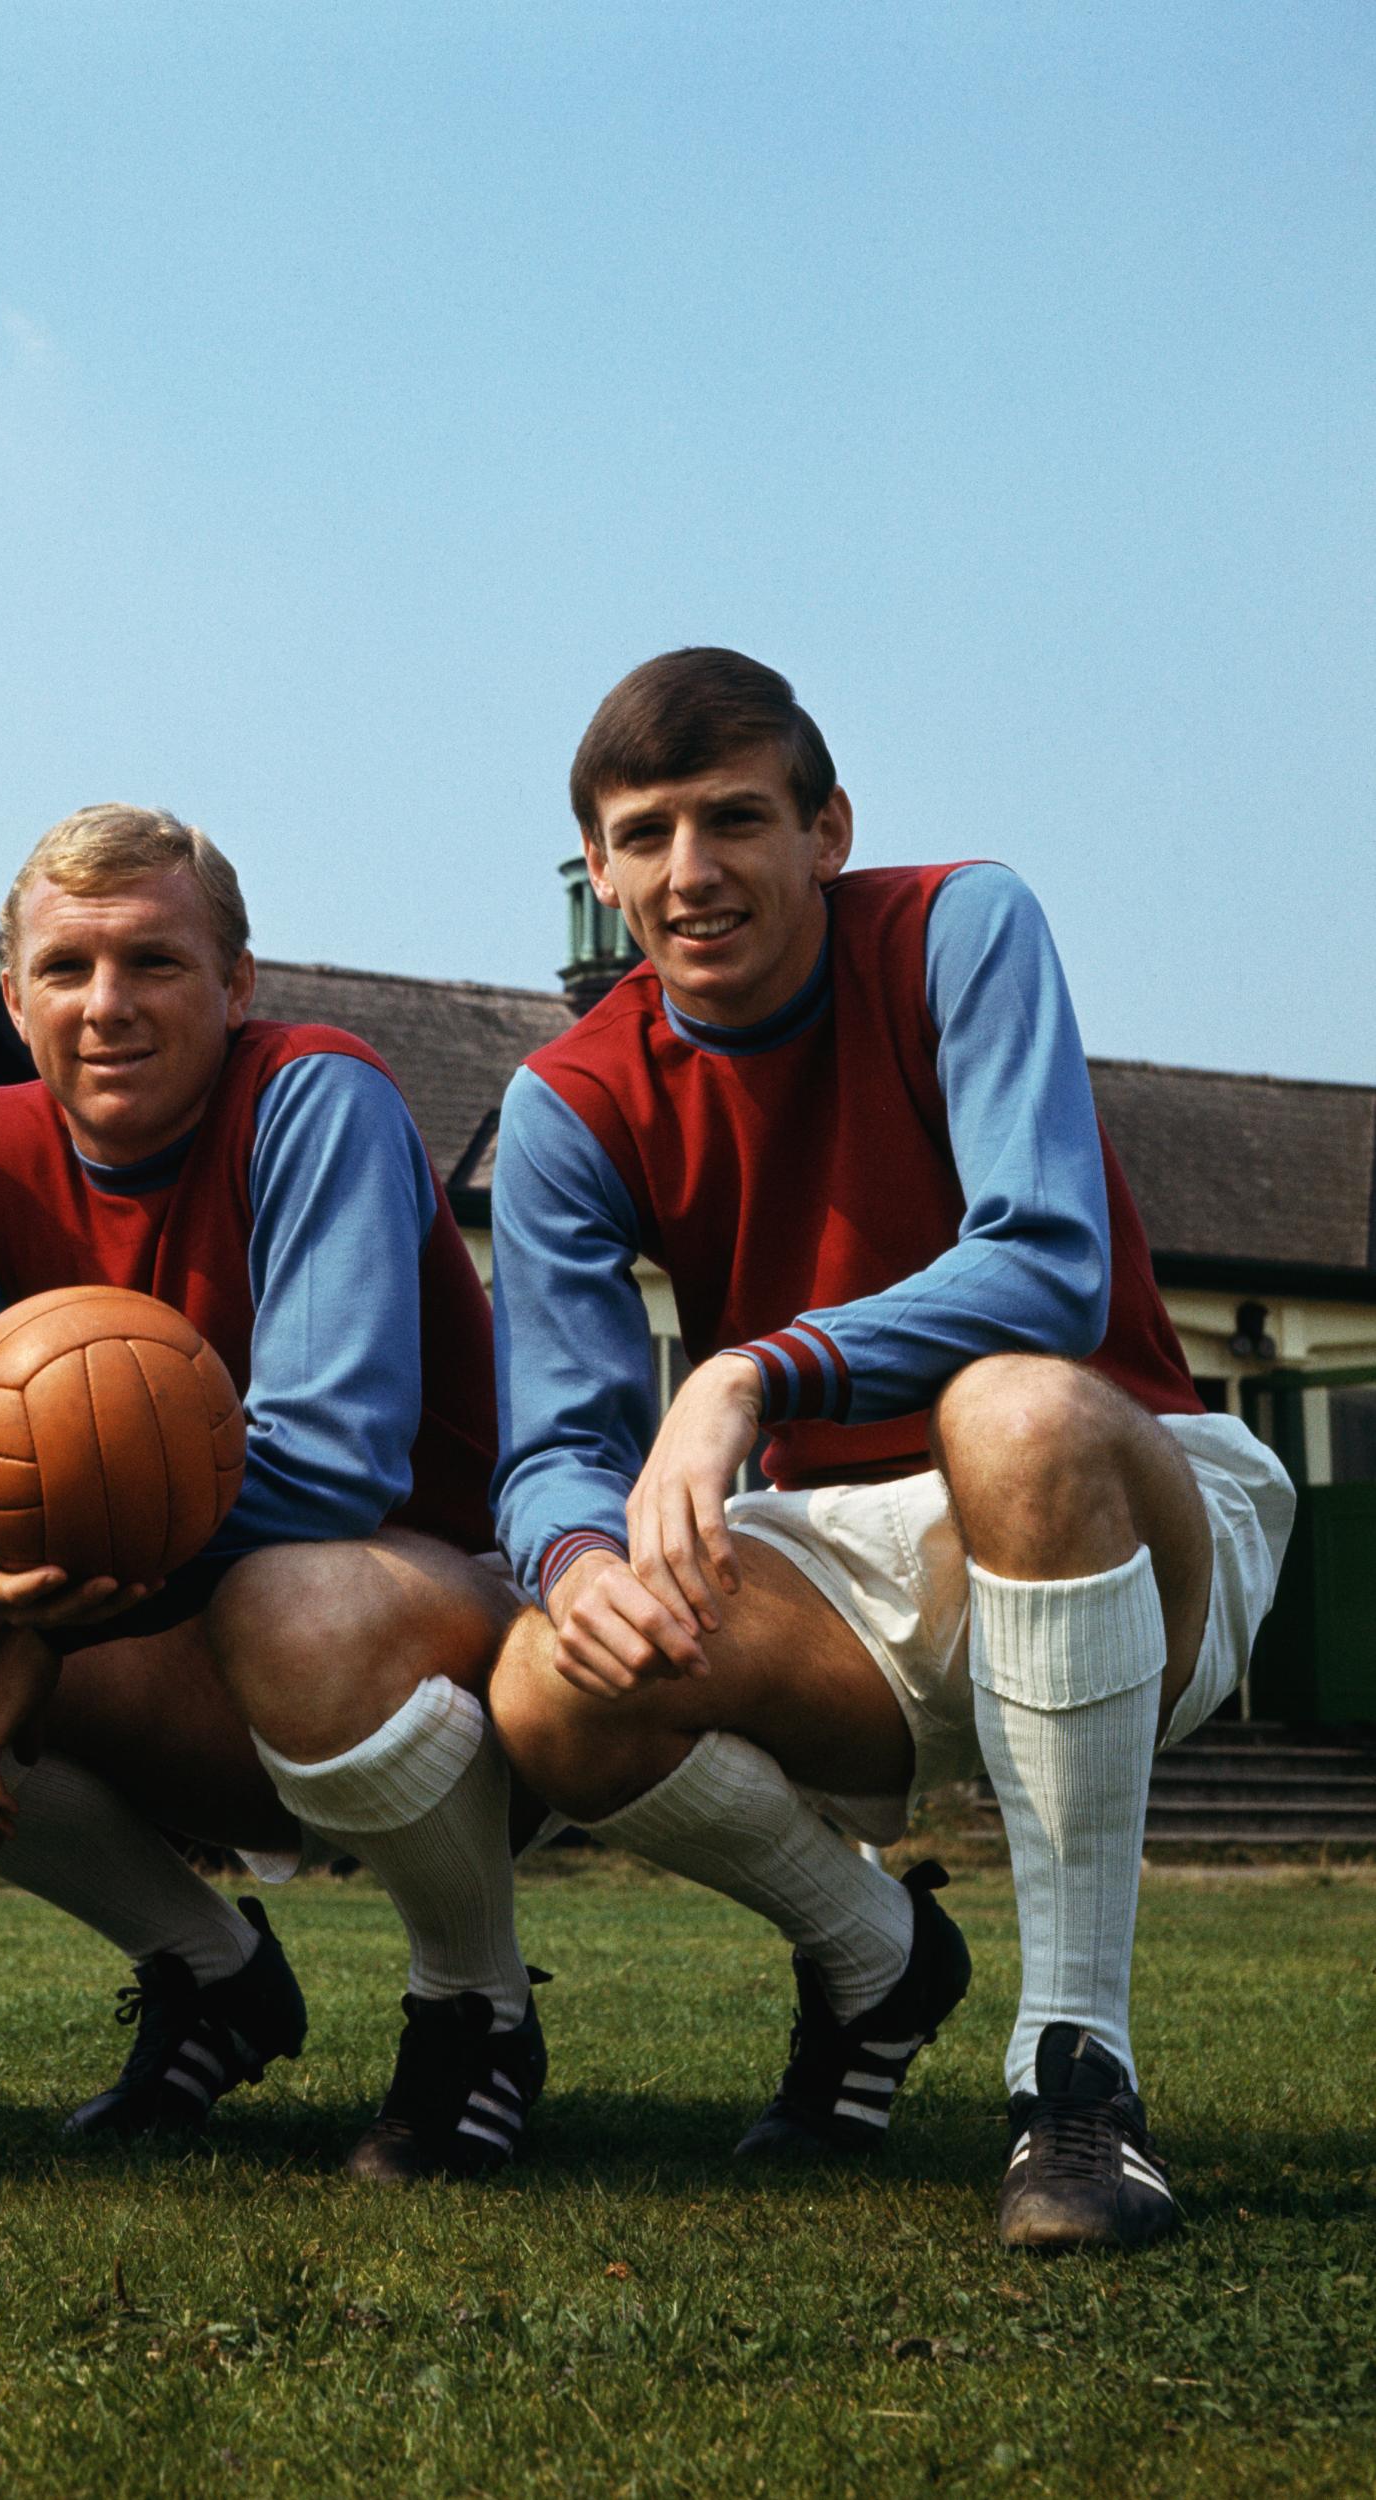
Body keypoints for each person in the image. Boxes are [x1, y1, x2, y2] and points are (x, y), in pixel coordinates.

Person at [487, 647, 1293, 2248]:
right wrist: (577, 1558)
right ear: (598, 867)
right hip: (851, 1556)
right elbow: (553, 1446)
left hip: (1129, 1497)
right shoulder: (563, 1103)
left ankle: (1077, 2082)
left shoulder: (954, 927)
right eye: (644, 835)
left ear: (825, 829)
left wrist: (746, 1376)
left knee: (1015, 1405)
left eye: (733, 820)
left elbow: (1048, 1263)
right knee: (545, 1681)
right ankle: (876, 1958)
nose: (690, 872)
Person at [0, 805, 543, 2180]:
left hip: (441, 1634)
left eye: (154, 963)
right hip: (185, 1627)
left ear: (235, 987)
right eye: (65, 969)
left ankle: (478, 2008)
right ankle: (209, 1968)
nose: (106, 1006)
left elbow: (332, 1465)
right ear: (11, 998)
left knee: (301, 1601)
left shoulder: (314, 1094)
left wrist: (47, 1633)